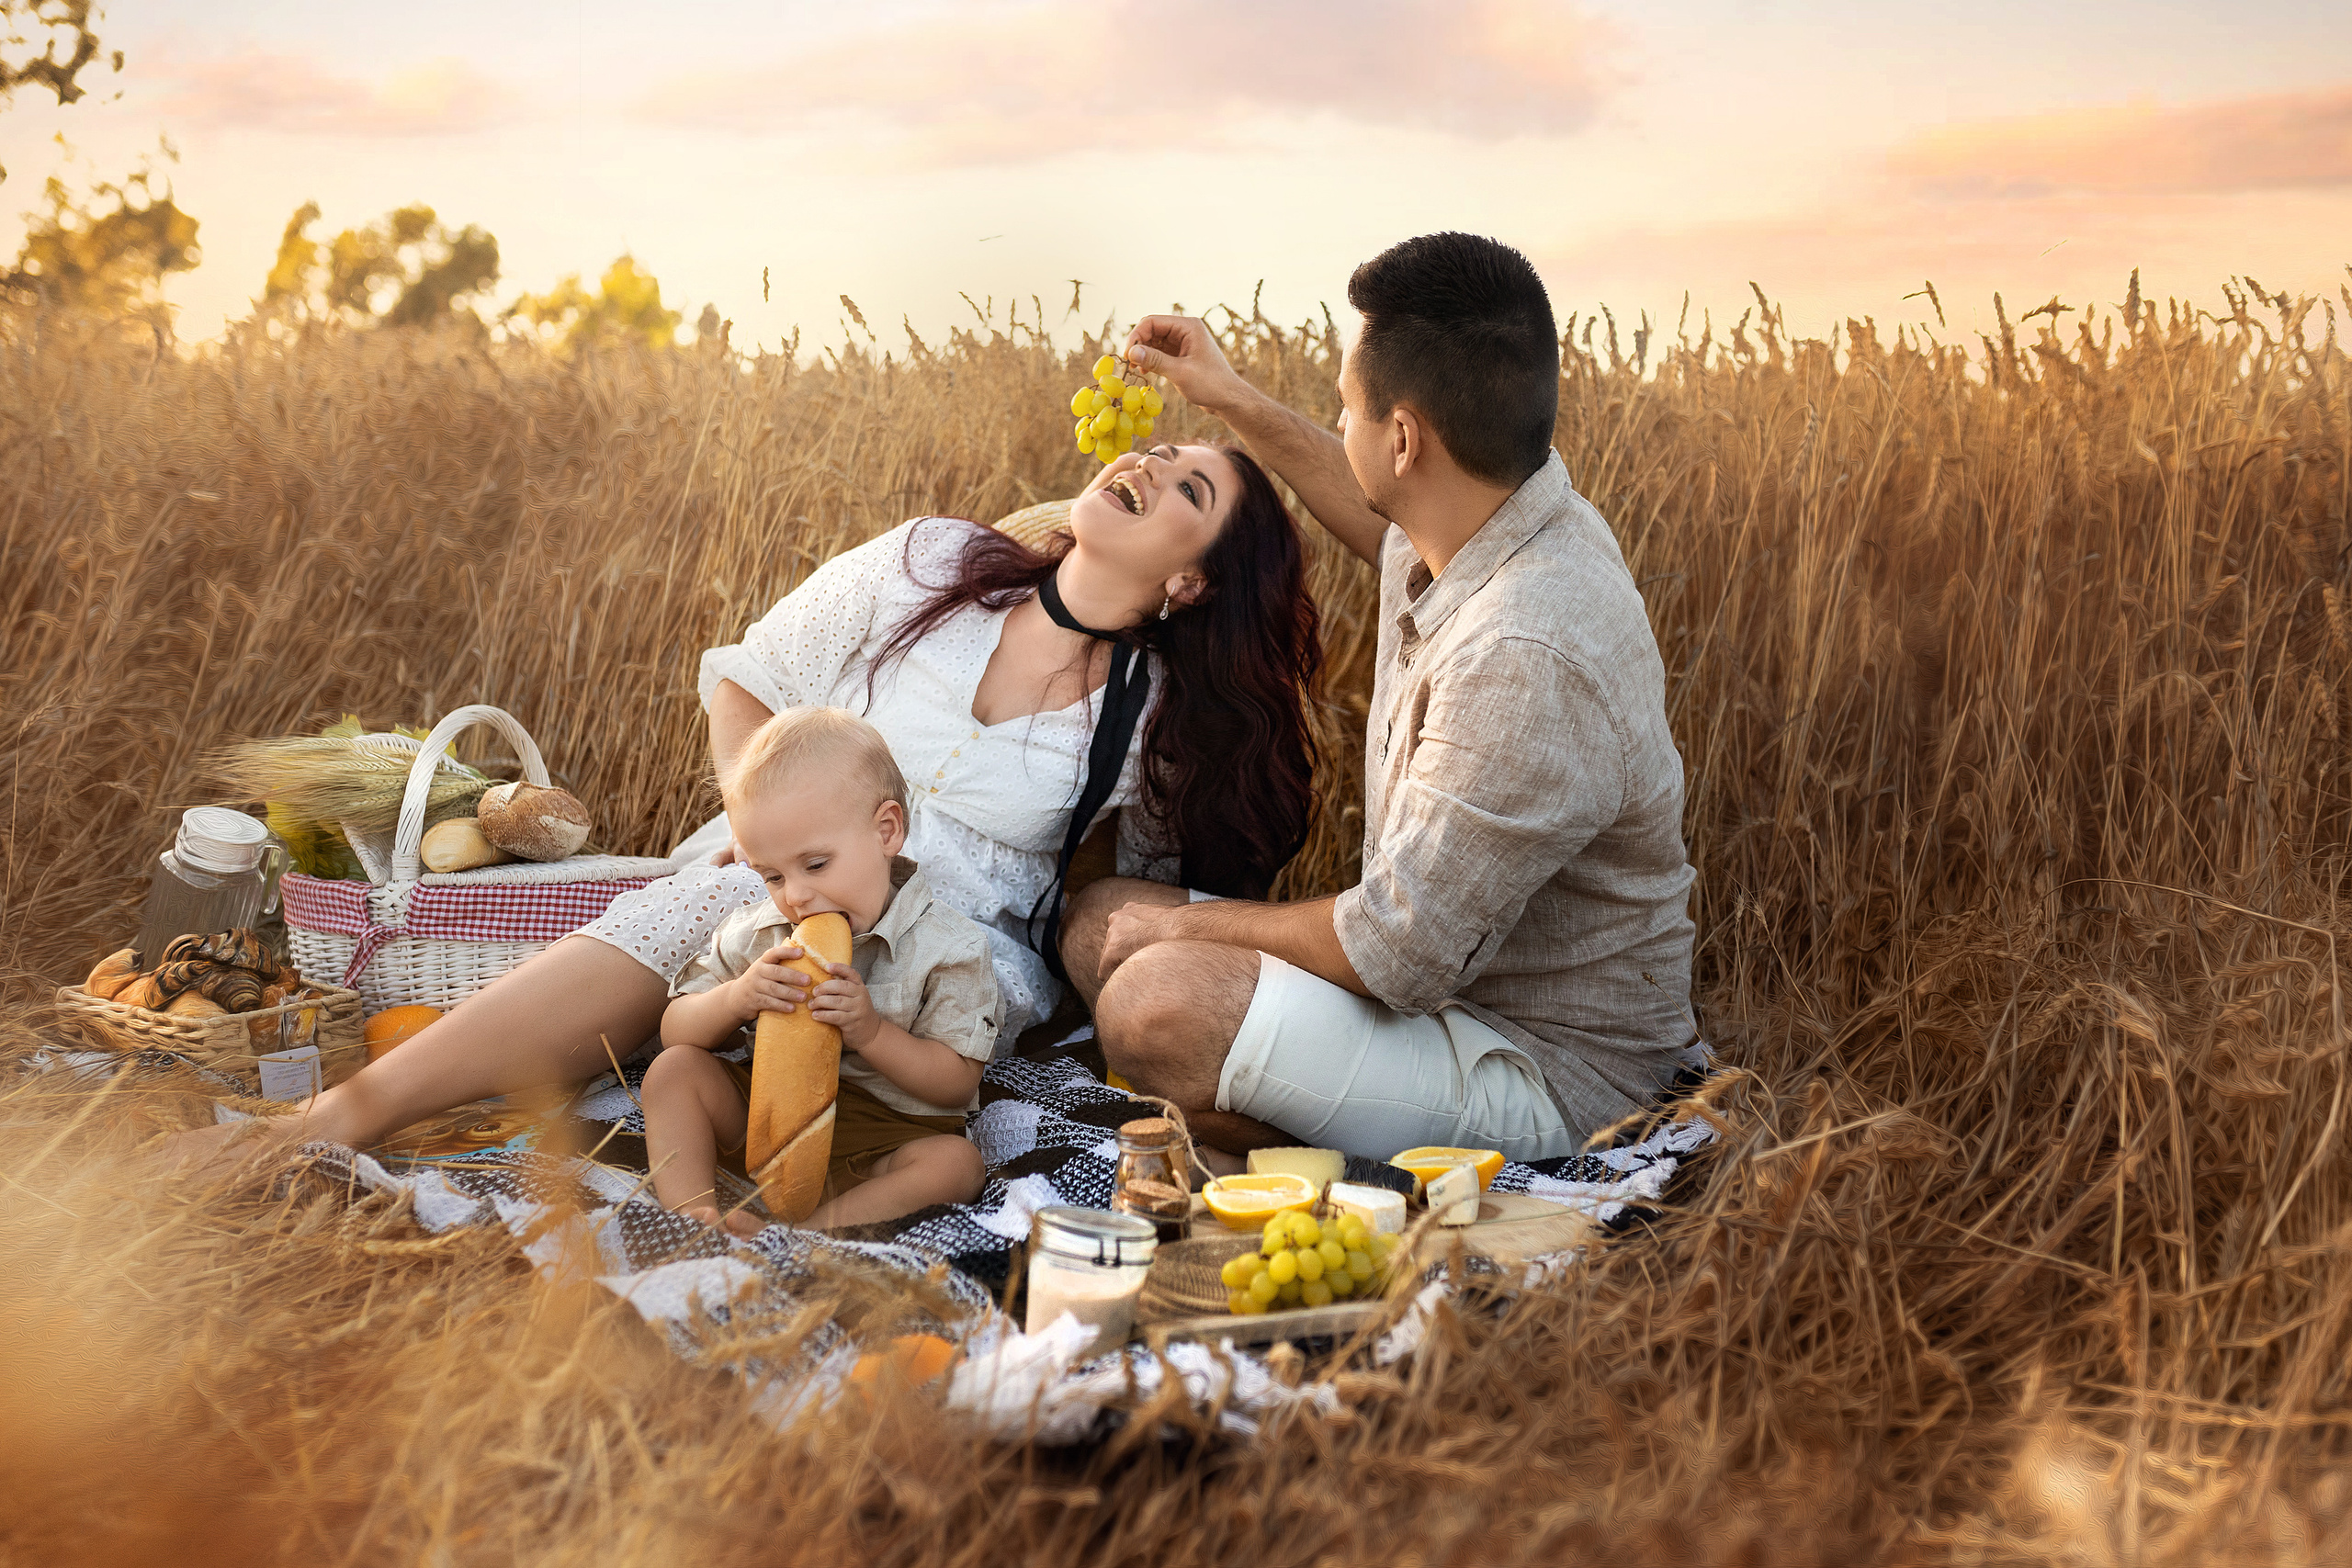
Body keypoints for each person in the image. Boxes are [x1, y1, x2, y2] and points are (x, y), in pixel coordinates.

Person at [175, 442, 1323, 1173]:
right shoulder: (930, 566)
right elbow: (748, 680)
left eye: (1191, 487)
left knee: (804, 1012)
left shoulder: (1158, 713)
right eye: (1162, 447)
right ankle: (337, 1122)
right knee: (706, 916)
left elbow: (1149, 892)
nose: (1152, 459)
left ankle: (743, 1156)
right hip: (774, 875)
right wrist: (753, 825)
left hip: (948, 948)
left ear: (1191, 582)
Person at [1063, 232, 1702, 1167]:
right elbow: (1373, 511)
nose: (1337, 421)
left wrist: (1184, 926)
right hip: (1430, 990)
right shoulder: (1508, 511)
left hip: (1549, 1071)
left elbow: (1397, 952)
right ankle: (1283, 1091)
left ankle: (1301, 1153)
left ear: (1402, 440)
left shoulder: (1527, 652)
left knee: (1154, 1004)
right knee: (1094, 916)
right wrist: (1230, 396)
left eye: (1347, 407)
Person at [644, 707, 994, 1234]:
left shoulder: (949, 948)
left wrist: (871, 1033)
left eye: (814, 865)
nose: (796, 895)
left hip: (885, 1134)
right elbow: (675, 1032)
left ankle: (806, 1237)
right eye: (772, 876)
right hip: (767, 1118)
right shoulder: (760, 935)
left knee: (956, 1165)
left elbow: (957, 1084)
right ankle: (692, 1221)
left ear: (886, 830)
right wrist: (737, 998)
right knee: (673, 1073)